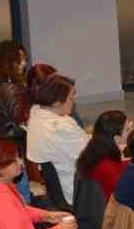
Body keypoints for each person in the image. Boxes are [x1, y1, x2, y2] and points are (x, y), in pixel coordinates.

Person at [25, 73, 88, 204]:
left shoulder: (35, 114)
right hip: (76, 188)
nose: (73, 102)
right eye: (70, 98)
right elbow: (90, 156)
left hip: (58, 185)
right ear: (56, 103)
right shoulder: (60, 127)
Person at [78, 109, 131, 201]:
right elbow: (123, 196)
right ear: (116, 138)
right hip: (111, 206)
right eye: (127, 129)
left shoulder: (96, 149)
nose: (131, 131)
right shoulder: (106, 166)